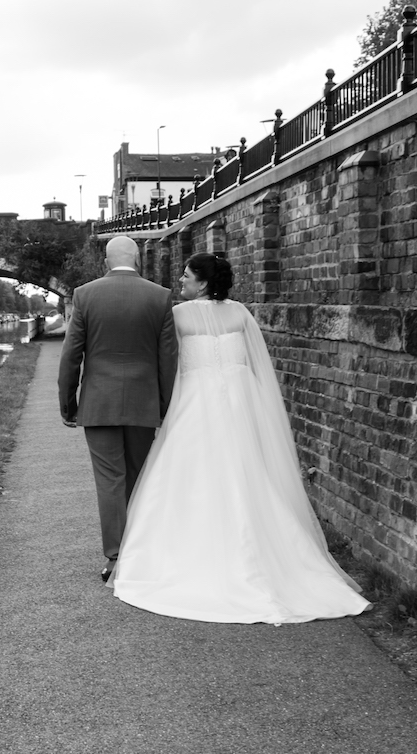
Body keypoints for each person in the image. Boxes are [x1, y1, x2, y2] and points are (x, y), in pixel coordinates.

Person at [111, 253, 369, 625]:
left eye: (186, 276)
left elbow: (167, 363)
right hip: (240, 402)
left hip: (195, 403)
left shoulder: (179, 315)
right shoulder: (241, 314)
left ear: (202, 282)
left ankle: (191, 558)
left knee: (190, 477)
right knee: (246, 473)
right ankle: (269, 555)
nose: (180, 281)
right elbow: (254, 364)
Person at [58, 235, 178, 582]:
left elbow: (71, 356)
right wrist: (166, 407)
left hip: (99, 403)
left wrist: (69, 405)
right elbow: (167, 360)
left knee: (110, 480)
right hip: (144, 403)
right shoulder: (160, 296)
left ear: (107, 262)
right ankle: (146, 553)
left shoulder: (85, 295)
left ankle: (116, 558)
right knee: (140, 476)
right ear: (138, 259)